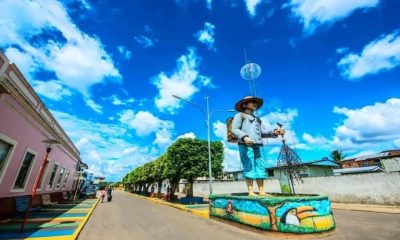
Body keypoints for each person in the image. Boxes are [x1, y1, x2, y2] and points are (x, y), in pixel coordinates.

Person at [232, 96, 285, 196]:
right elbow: (234, 129)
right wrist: (245, 137)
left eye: (255, 102)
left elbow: (262, 132)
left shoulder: (258, 120)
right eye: (251, 102)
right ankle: (251, 191)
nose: (254, 104)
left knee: (260, 165)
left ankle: (261, 191)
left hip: (257, 145)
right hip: (245, 145)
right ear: (244, 105)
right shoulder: (240, 116)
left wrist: (275, 132)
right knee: (249, 165)